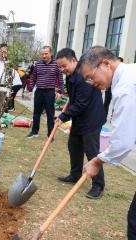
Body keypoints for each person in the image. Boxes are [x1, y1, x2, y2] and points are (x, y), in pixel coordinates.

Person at [78, 46, 136, 239]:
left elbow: (122, 141)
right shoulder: (130, 75)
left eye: (91, 76)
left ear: (105, 64)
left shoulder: (126, 87)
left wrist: (97, 161)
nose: (91, 83)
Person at [55, 48, 106, 199]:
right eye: (60, 67)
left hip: (91, 119)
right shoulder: (71, 76)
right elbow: (75, 98)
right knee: (74, 146)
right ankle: (75, 175)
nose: (62, 69)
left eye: (64, 65)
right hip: (79, 118)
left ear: (73, 60)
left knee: (92, 153)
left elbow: (81, 103)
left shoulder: (84, 75)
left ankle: (98, 185)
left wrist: (63, 116)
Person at [27, 46, 64, 139]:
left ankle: (50, 135)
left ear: (51, 53)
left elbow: (60, 79)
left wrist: (60, 91)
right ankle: (34, 132)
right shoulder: (38, 64)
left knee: (50, 114)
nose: (44, 56)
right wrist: (30, 89)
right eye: (42, 54)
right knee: (36, 113)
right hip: (39, 91)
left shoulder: (56, 64)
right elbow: (33, 77)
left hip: (50, 92)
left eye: (46, 53)